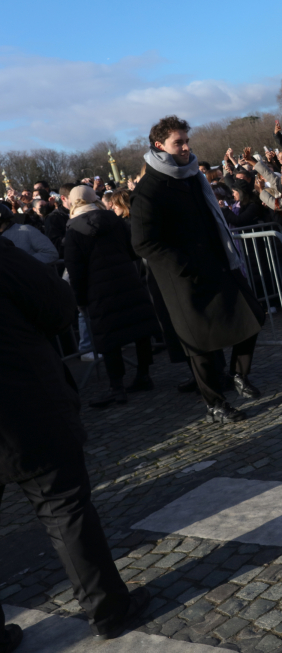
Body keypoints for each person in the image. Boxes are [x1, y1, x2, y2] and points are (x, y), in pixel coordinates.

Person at [0, 238, 149, 648]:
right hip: (23, 401)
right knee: (64, 507)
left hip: (20, 401)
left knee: (64, 506)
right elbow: (58, 308)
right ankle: (107, 609)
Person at [131, 116, 266, 423]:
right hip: (183, 279)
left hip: (218, 265)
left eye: (186, 141)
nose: (186, 147)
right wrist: (185, 265)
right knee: (200, 347)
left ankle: (238, 375)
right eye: (178, 142)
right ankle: (215, 404)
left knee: (253, 316)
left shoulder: (192, 175)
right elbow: (142, 243)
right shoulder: (149, 188)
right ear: (159, 146)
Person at [64, 186, 159, 408]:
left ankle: (116, 387)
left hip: (98, 289)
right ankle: (144, 375)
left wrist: (79, 299)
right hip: (127, 280)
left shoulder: (73, 231)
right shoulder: (113, 219)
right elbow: (132, 248)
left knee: (108, 338)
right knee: (139, 329)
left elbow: (75, 269)